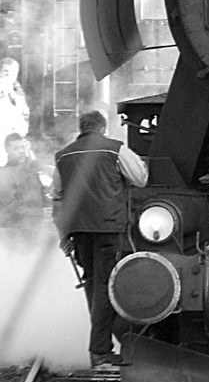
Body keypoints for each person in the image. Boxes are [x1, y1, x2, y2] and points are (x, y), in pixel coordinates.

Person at [52, 110, 148, 368]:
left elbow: (58, 200)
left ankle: (101, 344)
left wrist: (63, 236)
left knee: (93, 285)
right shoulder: (114, 149)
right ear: (102, 128)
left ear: (82, 128)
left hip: (78, 231)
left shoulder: (63, 156)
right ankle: (100, 350)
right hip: (108, 228)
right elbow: (140, 178)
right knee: (106, 287)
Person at [0, 132, 47, 245]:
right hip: (16, 232)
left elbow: (41, 193)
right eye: (16, 148)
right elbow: (10, 206)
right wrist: (37, 213)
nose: (21, 151)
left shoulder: (31, 170)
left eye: (22, 147)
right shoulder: (4, 174)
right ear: (7, 150)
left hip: (37, 228)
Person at [0, 58, 29, 167]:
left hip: (14, 140)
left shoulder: (18, 93)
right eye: (5, 71)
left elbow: (24, 115)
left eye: (12, 72)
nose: (8, 75)